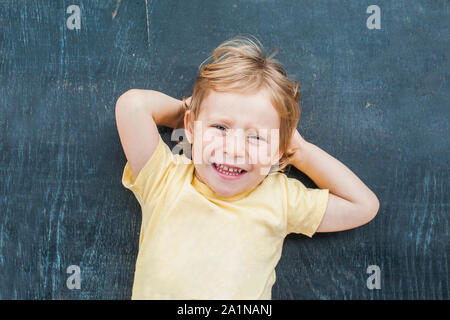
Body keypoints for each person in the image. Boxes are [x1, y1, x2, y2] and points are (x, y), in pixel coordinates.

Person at [115, 35, 380, 299]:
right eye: (220, 127)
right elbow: (133, 106)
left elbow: (363, 206)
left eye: (255, 137)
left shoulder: (280, 200)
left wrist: (301, 151)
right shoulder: (164, 181)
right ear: (192, 126)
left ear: (277, 150)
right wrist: (191, 110)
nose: (234, 148)